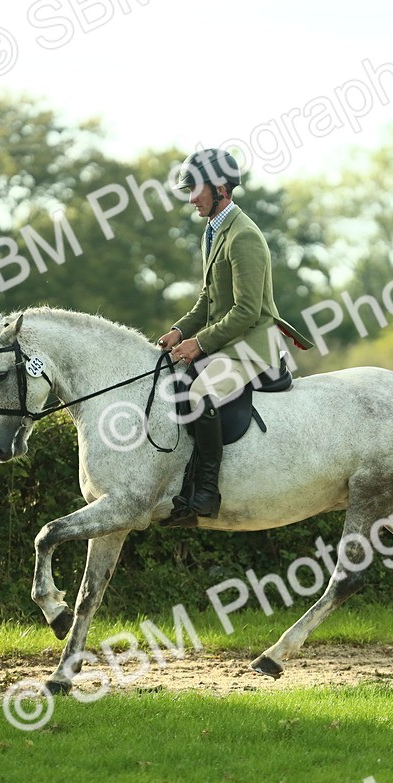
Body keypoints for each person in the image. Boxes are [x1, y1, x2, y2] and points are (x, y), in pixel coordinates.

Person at [155, 148, 315, 527]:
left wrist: (199, 344)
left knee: (200, 393)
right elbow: (207, 300)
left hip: (250, 346)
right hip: (226, 343)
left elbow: (246, 311)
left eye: (195, 188)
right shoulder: (212, 232)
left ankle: (207, 492)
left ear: (220, 188)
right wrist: (180, 330)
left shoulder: (243, 236)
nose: (191, 197)